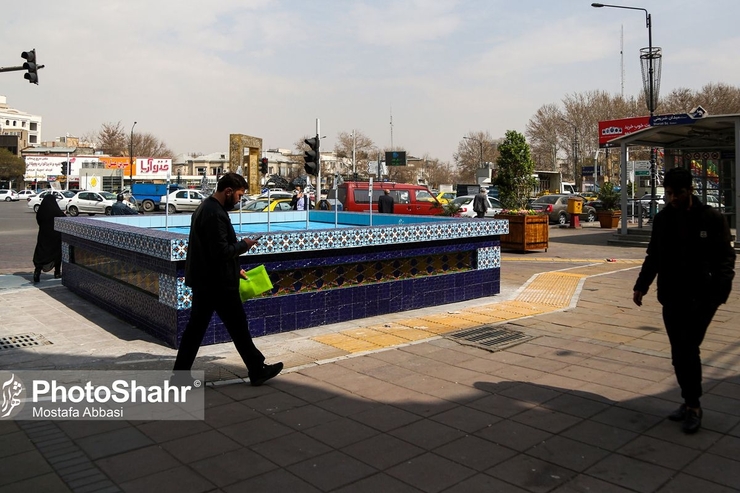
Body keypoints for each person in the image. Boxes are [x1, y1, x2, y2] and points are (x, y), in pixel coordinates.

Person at [633, 167, 735, 434]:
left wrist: (719, 293)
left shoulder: (711, 218)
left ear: (690, 191)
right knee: (679, 354)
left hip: (702, 297)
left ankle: (694, 407)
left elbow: (726, 259)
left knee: (688, 349)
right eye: (668, 193)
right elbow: (653, 254)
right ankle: (689, 401)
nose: (672, 198)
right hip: (672, 296)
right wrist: (641, 285)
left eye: (677, 193)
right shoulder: (664, 219)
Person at [173, 172, 283, 386]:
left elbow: (211, 250)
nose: (240, 200)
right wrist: (245, 245)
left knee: (199, 330)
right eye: (239, 195)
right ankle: (256, 369)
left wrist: (236, 269)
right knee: (237, 327)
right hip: (218, 285)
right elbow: (221, 251)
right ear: (229, 191)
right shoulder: (215, 213)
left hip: (208, 281)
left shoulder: (207, 208)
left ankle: (180, 376)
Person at [32, 194, 66, 283]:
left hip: (43, 235)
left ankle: (37, 272)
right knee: (57, 253)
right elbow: (63, 219)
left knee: (41, 253)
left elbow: (39, 220)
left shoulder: (41, 211)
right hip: (55, 236)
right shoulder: (56, 211)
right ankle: (57, 272)